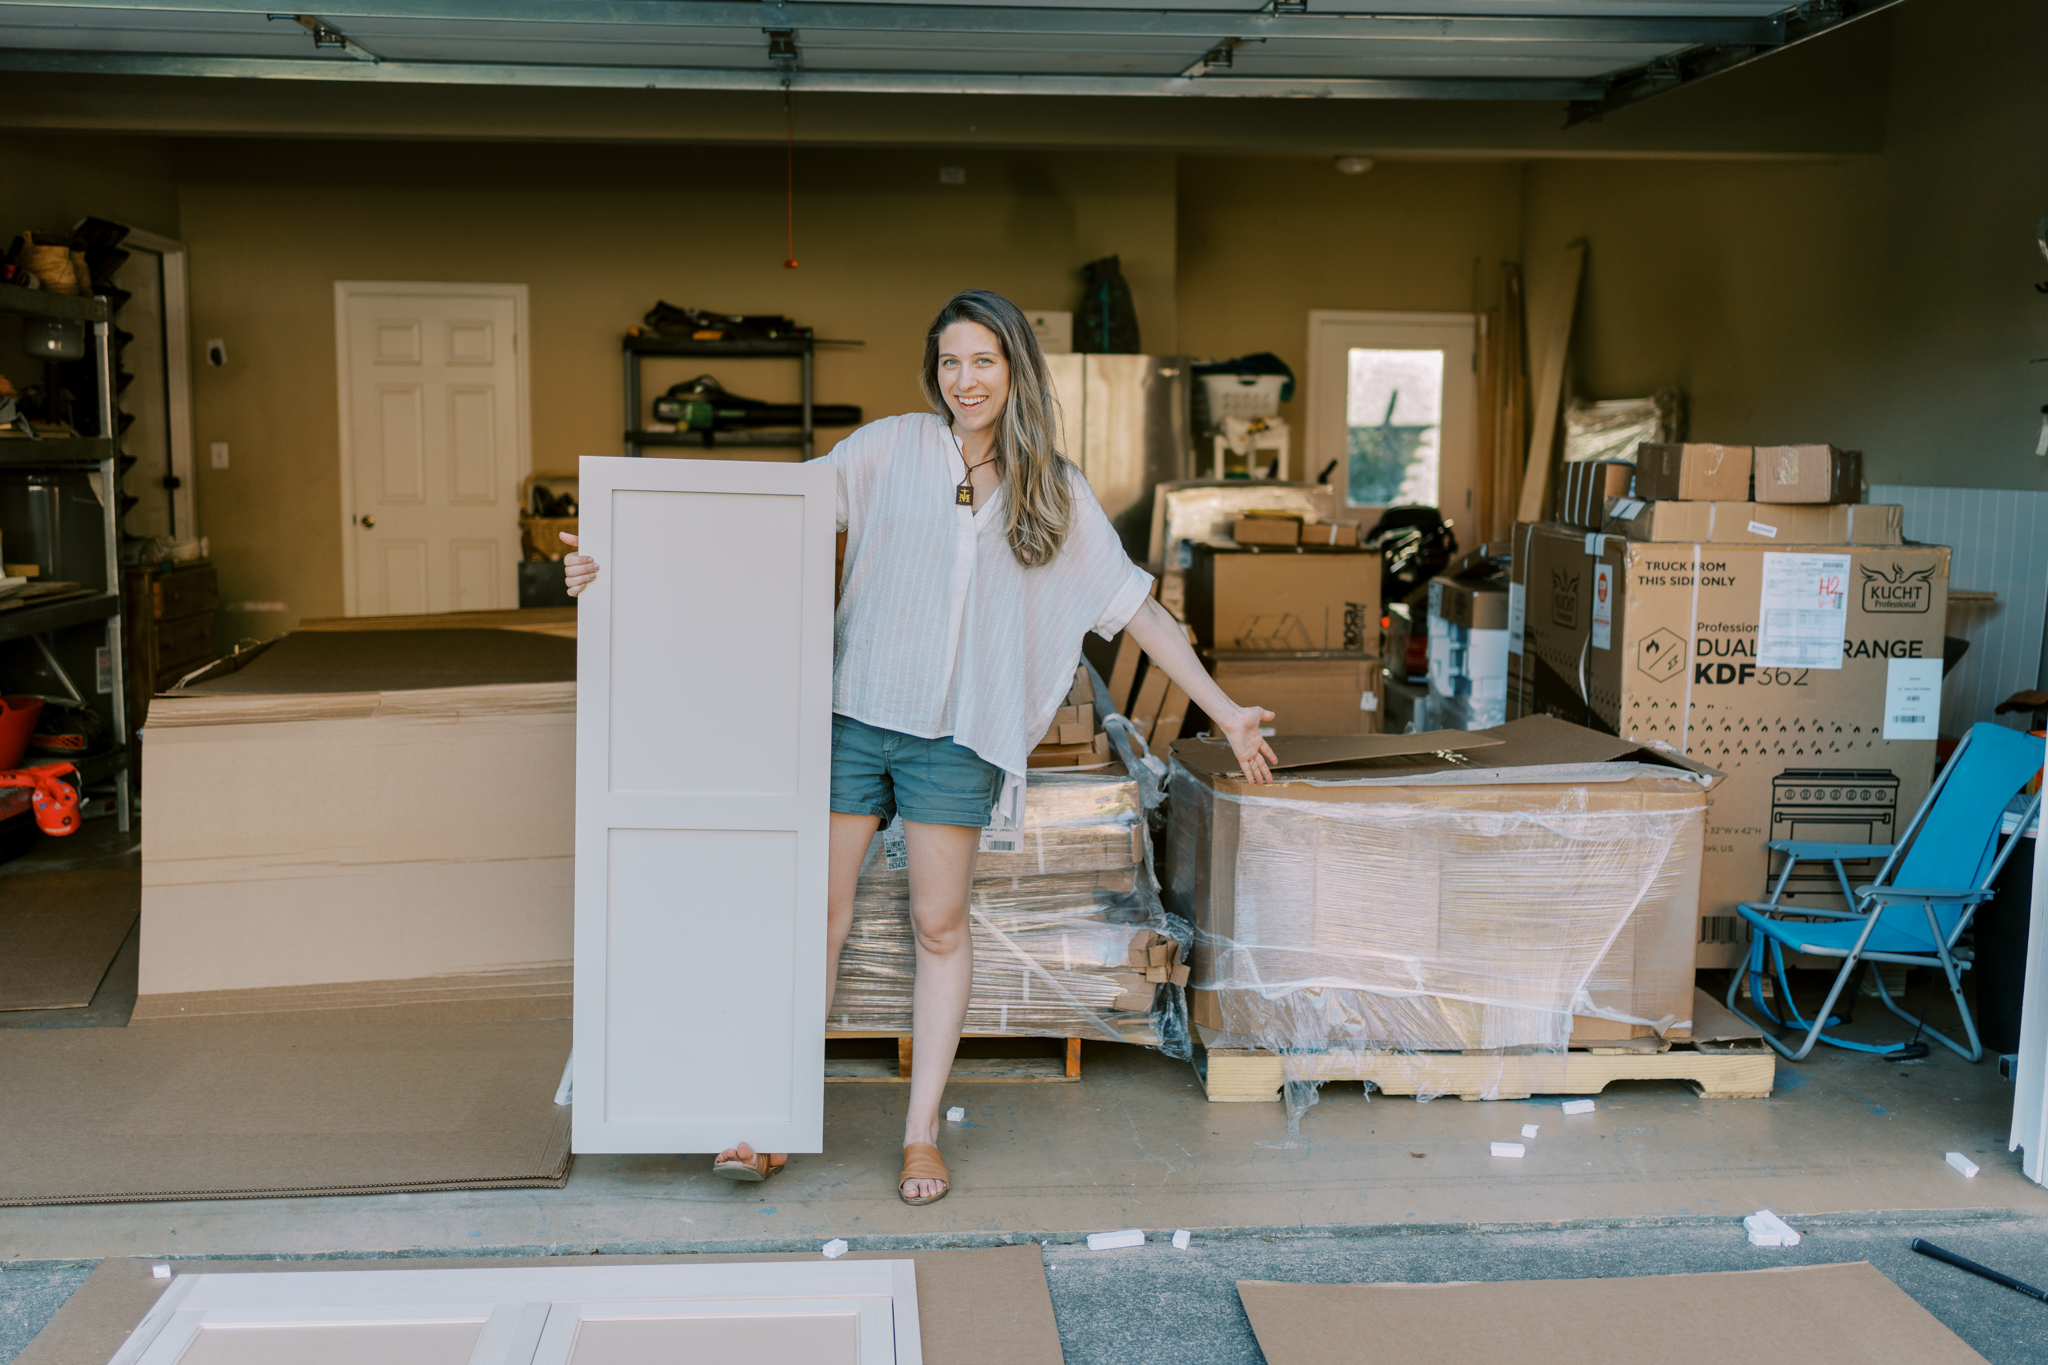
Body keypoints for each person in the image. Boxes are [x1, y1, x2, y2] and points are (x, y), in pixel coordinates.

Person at [562, 288, 1276, 1205]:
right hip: (856, 715)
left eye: (981, 360)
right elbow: (759, 516)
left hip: (959, 738)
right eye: (949, 361)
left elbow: (1136, 606)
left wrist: (1222, 710)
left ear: (1015, 367)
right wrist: (620, 550)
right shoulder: (887, 449)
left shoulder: (1054, 488)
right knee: (806, 919)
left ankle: (920, 1134)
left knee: (939, 927)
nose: (964, 379)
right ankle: (764, 1113)